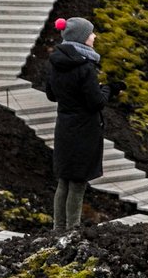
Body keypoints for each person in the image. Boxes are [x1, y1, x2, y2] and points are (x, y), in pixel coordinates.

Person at [45, 16, 109, 233]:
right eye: (90, 33)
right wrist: (109, 90)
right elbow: (96, 102)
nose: (94, 36)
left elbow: (51, 95)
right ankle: (73, 229)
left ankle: (58, 228)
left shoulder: (56, 62)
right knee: (78, 182)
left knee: (64, 180)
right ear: (81, 38)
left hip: (64, 127)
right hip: (84, 129)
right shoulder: (85, 67)